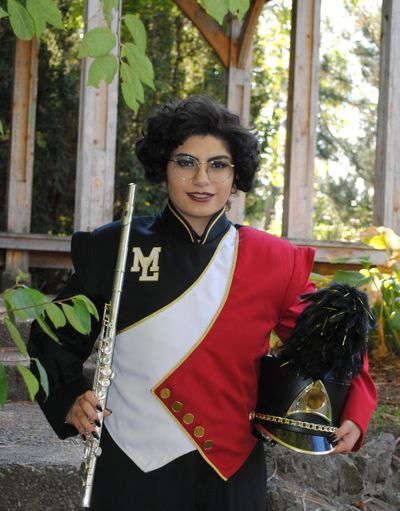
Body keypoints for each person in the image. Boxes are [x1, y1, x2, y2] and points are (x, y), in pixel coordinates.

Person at [28, 95, 377, 511]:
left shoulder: (273, 259)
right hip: (128, 458)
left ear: (236, 174)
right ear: (163, 167)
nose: (202, 179)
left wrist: (354, 407)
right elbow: (54, 335)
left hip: (229, 469)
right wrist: (69, 397)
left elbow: (330, 337)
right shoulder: (114, 245)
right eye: (185, 161)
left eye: (218, 164)